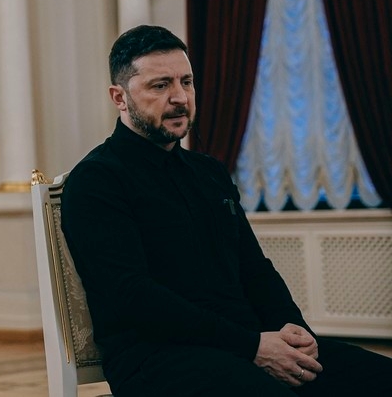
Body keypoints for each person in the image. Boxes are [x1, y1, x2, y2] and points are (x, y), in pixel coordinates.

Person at [61, 25, 392, 396]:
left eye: (186, 82)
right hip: (156, 360)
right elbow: (133, 297)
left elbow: (254, 267)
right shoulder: (96, 180)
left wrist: (294, 330)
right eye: (160, 85)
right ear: (119, 97)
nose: (180, 98)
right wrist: (252, 347)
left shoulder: (210, 172)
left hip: (245, 343)